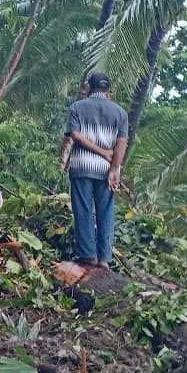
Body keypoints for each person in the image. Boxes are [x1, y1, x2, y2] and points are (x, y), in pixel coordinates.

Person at [64, 71, 129, 270]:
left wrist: (99, 152)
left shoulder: (77, 107)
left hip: (82, 166)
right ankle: (104, 258)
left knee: (83, 210)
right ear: (108, 90)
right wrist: (114, 168)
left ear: (89, 88)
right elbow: (121, 143)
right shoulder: (120, 113)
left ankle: (87, 255)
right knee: (106, 212)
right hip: (106, 170)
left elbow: (74, 134)